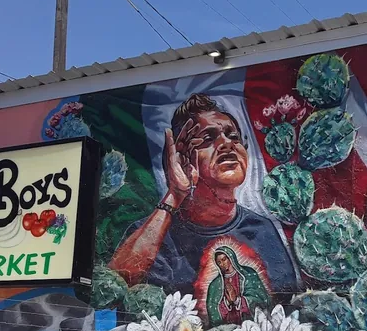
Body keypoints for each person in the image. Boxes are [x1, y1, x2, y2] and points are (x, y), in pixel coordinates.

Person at [108, 93, 298, 302]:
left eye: (233, 136)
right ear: (180, 160)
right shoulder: (153, 236)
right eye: (208, 139)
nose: (227, 144)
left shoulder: (262, 230)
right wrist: (175, 194)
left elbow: (287, 305)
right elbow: (116, 287)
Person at [206, 246, 269, 327]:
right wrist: (227, 302)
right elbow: (213, 310)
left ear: (231, 258)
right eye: (219, 262)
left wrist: (237, 300)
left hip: (250, 325)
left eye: (224, 259)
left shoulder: (248, 274)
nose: (222, 264)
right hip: (228, 327)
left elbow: (260, 299)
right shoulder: (214, 285)